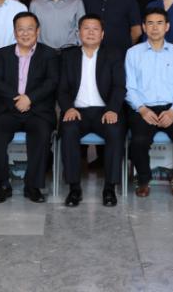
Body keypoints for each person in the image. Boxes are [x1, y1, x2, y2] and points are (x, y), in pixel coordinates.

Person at [0, 12, 60, 204]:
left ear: (38, 31)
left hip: (38, 111)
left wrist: (29, 98)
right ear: (14, 32)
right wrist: (17, 99)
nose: (25, 33)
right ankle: (3, 184)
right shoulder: (3, 54)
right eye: (20, 29)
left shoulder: (49, 54)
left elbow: (52, 82)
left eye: (30, 29)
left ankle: (33, 185)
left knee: (42, 134)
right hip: (8, 109)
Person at [125, 7, 173, 198]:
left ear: (167, 26)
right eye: (150, 23)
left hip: (171, 108)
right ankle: (143, 179)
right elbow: (129, 88)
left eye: (159, 23)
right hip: (143, 108)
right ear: (143, 27)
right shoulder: (133, 53)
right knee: (138, 141)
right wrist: (142, 109)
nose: (155, 28)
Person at [58, 14, 126, 207]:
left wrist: (113, 109)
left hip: (105, 111)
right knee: (68, 130)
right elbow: (61, 89)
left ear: (102, 34)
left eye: (95, 29)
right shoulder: (68, 56)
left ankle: (109, 188)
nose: (90, 32)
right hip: (77, 111)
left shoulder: (113, 55)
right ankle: (74, 189)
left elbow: (119, 86)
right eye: (86, 28)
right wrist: (68, 108)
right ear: (79, 33)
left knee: (115, 131)